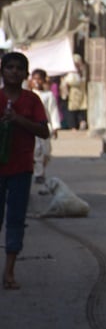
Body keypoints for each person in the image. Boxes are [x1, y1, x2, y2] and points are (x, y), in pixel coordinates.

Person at [0, 52, 50, 290]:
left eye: (19, 68)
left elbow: (43, 131)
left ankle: (9, 271)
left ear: (25, 74)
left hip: (21, 168)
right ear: (2, 71)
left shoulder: (32, 101)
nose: (14, 72)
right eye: (9, 67)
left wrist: (18, 120)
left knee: (16, 220)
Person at [29, 69, 60, 184]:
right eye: (34, 78)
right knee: (36, 150)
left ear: (44, 80)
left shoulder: (48, 95)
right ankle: (38, 174)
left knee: (46, 151)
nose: (37, 81)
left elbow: (53, 111)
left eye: (39, 79)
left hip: (45, 127)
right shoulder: (29, 95)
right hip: (32, 126)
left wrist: (55, 126)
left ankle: (41, 169)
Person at [60, 53, 88, 130]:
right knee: (73, 111)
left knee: (77, 110)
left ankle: (77, 125)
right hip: (74, 94)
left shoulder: (80, 71)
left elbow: (72, 81)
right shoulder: (73, 71)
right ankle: (74, 126)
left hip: (76, 93)